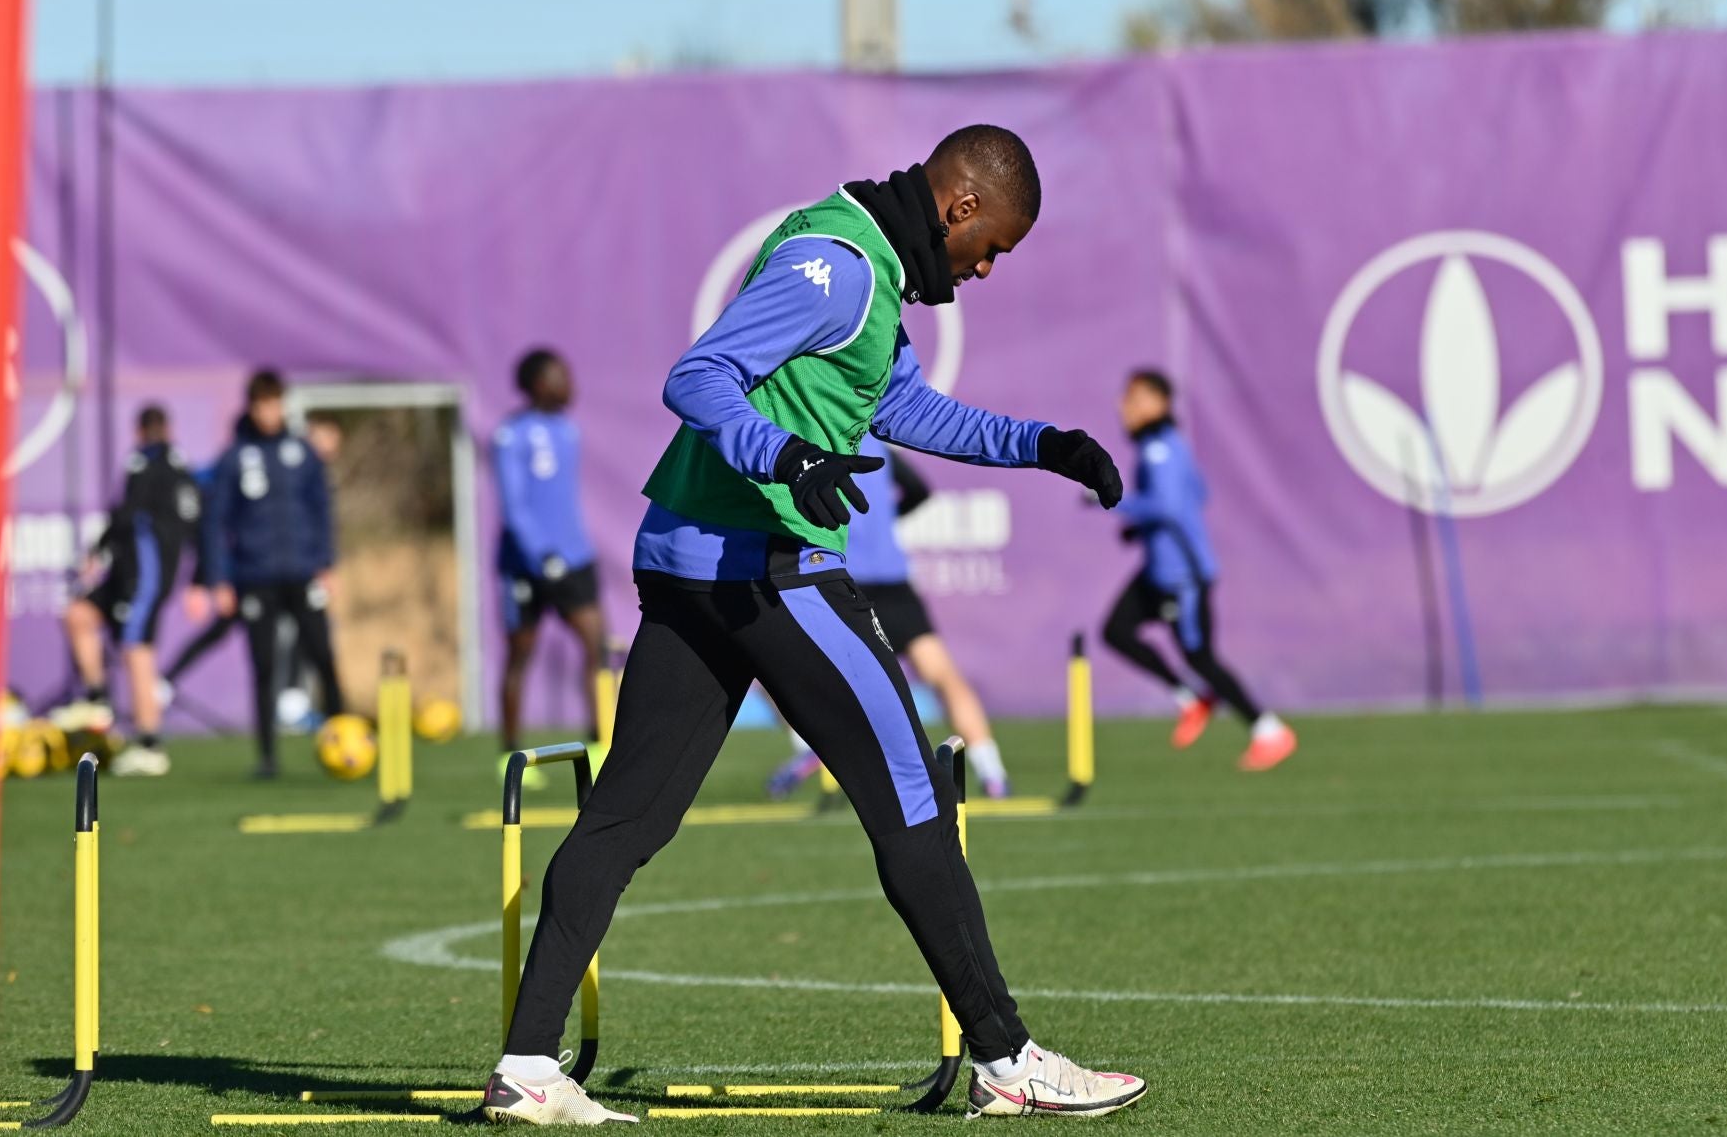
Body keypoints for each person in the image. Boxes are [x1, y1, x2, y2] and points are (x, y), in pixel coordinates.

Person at [483, 126, 1148, 1124]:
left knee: (628, 816)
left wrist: (1044, 444)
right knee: (914, 794)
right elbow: (697, 377)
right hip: (768, 570)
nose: (989, 267)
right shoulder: (834, 269)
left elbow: (912, 412)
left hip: (690, 565)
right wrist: (786, 457)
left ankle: (528, 1066)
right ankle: (1007, 1057)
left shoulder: (869, 269)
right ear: (960, 208)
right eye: (994, 245)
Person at [767, 434, 1011, 798]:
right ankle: (992, 772)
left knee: (776, 666)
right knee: (941, 674)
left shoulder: (804, 441)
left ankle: (810, 749)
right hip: (893, 579)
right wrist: (884, 516)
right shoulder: (874, 445)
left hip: (842, 577)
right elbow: (919, 491)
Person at [1099, 369, 1295, 772]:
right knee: (1116, 631)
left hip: (1182, 579)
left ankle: (1269, 730)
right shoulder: (1163, 445)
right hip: (1159, 573)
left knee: (1201, 659)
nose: (1125, 406)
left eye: (1135, 397)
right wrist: (1143, 530)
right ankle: (1191, 698)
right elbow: (1195, 494)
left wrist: (1116, 501)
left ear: (1159, 403)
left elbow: (1169, 505)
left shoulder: (1161, 449)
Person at [198, 369, 345, 777]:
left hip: (302, 574)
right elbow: (216, 521)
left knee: (323, 657)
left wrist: (327, 565)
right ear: (251, 407)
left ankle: (345, 742)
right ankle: (267, 757)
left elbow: (321, 510)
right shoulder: (235, 458)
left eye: (275, 403)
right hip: (256, 577)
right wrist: (219, 579)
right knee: (264, 666)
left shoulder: (302, 453)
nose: (269, 412)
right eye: (262, 404)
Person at [63, 404, 202, 777]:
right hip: (128, 576)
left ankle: (150, 743)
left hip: (143, 578)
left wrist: (98, 549)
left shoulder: (148, 465)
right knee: (79, 614)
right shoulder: (182, 471)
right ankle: (98, 699)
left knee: (137, 651)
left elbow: (126, 515)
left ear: (139, 432)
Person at [494, 349, 606, 754]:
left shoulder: (568, 430)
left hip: (574, 560)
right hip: (525, 565)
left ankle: (600, 741)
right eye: (562, 376)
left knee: (597, 646)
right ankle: (509, 752)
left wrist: (569, 550)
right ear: (540, 384)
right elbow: (514, 506)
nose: (570, 385)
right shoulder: (511, 434)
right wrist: (542, 554)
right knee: (520, 655)